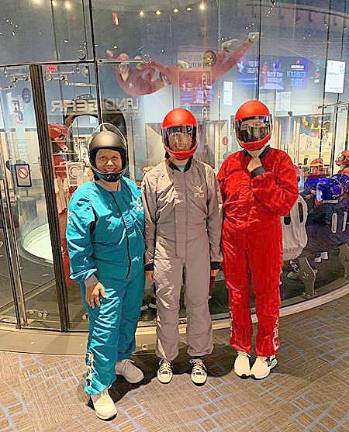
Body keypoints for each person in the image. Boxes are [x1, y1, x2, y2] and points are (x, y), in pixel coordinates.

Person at [66, 126, 145, 420]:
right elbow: (76, 243)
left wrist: (144, 265)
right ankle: (97, 387)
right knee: (104, 331)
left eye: (115, 157)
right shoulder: (85, 197)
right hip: (104, 280)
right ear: (93, 161)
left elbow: (140, 229)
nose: (110, 163)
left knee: (128, 321)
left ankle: (121, 362)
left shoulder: (131, 189)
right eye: (103, 158)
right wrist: (88, 279)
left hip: (133, 274)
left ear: (123, 159)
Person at [217, 100, 298, 380]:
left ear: (267, 127)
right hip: (233, 239)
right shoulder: (229, 163)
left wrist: (260, 175)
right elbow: (220, 201)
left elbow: (284, 204)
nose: (252, 134)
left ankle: (265, 352)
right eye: (246, 129)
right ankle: (241, 348)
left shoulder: (280, 161)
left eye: (257, 128)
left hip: (265, 239)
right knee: (236, 295)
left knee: (266, 295)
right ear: (238, 130)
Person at [141, 108, 222, 386]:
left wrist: (214, 259)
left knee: (199, 304)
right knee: (167, 305)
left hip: (199, 248)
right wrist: (150, 261)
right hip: (166, 250)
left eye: (185, 136)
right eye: (174, 137)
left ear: (194, 138)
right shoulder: (152, 178)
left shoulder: (207, 175)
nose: (180, 143)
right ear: (166, 138)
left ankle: (197, 357)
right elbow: (148, 223)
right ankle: (166, 358)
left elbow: (214, 218)